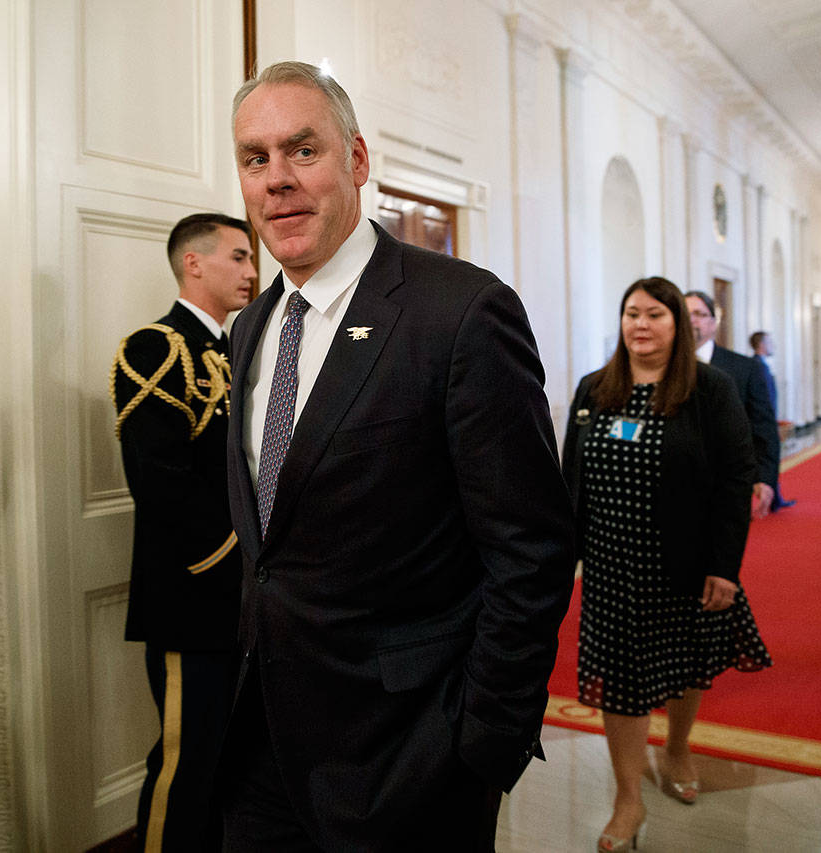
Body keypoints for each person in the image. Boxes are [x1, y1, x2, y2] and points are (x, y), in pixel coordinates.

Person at [221, 61, 575, 850]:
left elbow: (532, 550)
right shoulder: (251, 329)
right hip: (262, 744)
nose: (276, 180)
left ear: (356, 160)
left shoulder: (460, 312)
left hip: (409, 755)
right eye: (255, 158)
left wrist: (480, 745)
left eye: (301, 151)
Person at [563, 277, 770, 852]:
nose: (641, 325)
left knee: (681, 666)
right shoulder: (593, 388)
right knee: (620, 684)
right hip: (609, 567)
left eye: (655, 314)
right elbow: (571, 479)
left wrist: (725, 567)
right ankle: (627, 797)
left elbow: (735, 480)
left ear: (678, 324)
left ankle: (678, 746)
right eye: (632, 313)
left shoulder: (709, 389)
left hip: (682, 561)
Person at [110, 213, 255, 851]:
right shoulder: (156, 347)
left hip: (244, 600)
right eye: (239, 257)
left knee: (231, 758)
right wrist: (235, 560)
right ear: (193, 263)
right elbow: (160, 480)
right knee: (184, 758)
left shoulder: (238, 348)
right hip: (193, 596)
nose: (253, 272)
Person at [684, 291, 783, 517]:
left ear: (713, 323)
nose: (692, 320)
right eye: (686, 314)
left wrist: (764, 477)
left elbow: (763, 426)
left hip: (727, 482)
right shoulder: (662, 367)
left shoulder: (745, 368)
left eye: (699, 314)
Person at [749, 331, 795, 510]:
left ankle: (776, 498)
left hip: (766, 419)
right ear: (761, 344)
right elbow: (764, 399)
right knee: (767, 457)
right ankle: (773, 499)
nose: (773, 346)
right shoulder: (757, 366)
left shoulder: (761, 364)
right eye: (769, 342)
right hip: (762, 422)